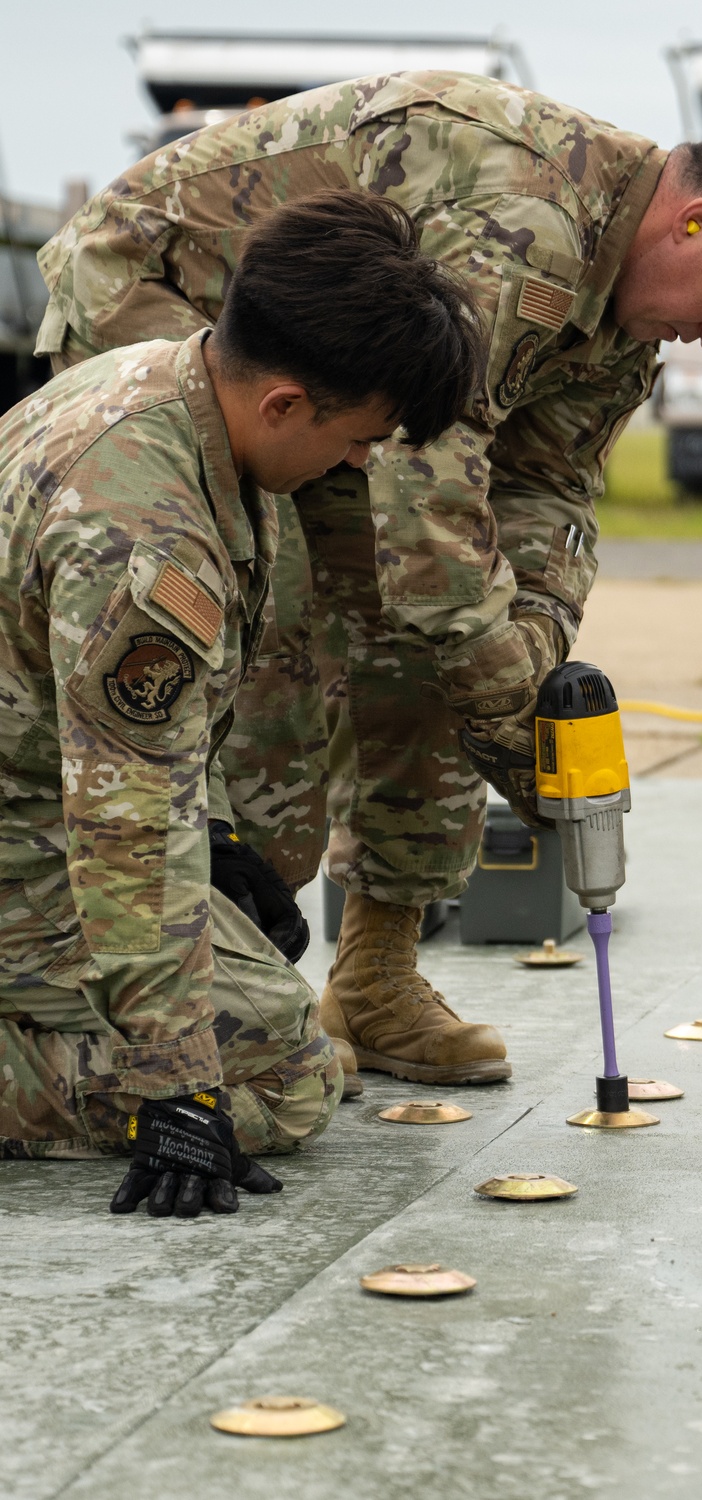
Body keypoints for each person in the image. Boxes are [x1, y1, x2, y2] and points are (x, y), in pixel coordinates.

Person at [36, 72, 702, 1095]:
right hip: (161, 301)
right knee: (270, 612)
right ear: (694, 221)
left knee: (446, 634)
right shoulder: (525, 215)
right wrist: (506, 719)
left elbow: (547, 491)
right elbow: (425, 505)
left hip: (337, 384)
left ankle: (372, 978)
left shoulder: (621, 326)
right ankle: (201, 1001)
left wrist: (533, 663)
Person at [1, 191, 484, 1215]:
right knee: (287, 1079)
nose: (358, 464)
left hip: (35, 803)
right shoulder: (145, 525)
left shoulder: (165, 386)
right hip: (31, 837)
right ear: (283, 404)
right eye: (359, 439)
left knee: (264, 1016)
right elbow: (125, 827)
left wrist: (213, 838)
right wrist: (175, 1086)